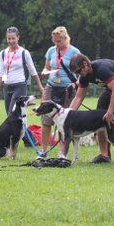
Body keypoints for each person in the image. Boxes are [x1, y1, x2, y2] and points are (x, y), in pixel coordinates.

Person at [69, 53, 114, 163]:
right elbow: (78, 97)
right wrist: (68, 114)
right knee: (99, 118)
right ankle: (104, 155)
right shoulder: (83, 77)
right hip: (111, 89)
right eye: (76, 73)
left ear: (85, 64)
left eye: (79, 71)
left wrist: (110, 112)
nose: (79, 74)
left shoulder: (101, 69)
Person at [39, 26, 80, 158]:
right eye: (54, 41)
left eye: (59, 41)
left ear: (65, 38)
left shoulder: (74, 52)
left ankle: (62, 152)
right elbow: (46, 67)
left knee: (65, 122)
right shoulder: (51, 51)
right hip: (51, 87)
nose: (56, 44)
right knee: (46, 120)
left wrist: (75, 84)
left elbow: (81, 72)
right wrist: (45, 73)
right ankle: (44, 151)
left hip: (67, 90)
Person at [0, 26, 43, 114]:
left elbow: (33, 71)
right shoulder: (2, 53)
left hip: (19, 86)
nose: (11, 41)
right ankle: (19, 128)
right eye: (9, 38)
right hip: (6, 87)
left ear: (18, 38)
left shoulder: (24, 53)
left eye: (13, 38)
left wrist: (40, 87)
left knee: (12, 115)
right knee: (11, 117)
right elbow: (0, 73)